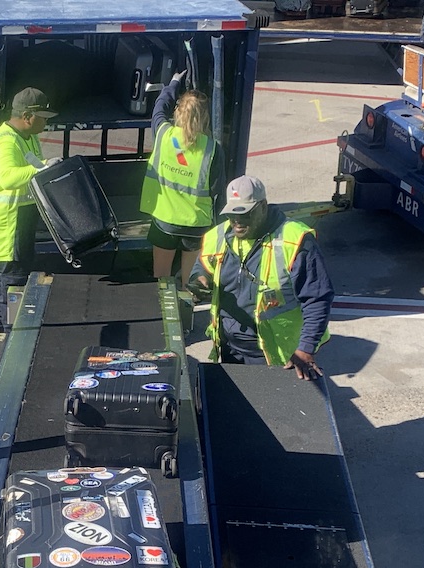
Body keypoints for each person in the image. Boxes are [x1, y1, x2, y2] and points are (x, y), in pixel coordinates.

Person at [188, 175, 334, 380]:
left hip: (278, 356)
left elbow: (317, 298)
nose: (237, 222)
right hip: (230, 348)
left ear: (263, 206)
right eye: (231, 214)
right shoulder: (218, 236)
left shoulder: (294, 241)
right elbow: (202, 268)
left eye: (245, 214)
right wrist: (200, 280)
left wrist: (306, 349)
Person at [0, 86, 59, 333]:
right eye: (43, 118)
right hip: (7, 231)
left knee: (5, 287)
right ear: (27, 117)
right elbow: (7, 178)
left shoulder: (26, 137)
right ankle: (12, 338)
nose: (45, 124)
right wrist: (43, 168)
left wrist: (46, 168)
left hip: (17, 227)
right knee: (12, 289)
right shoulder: (6, 141)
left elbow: (35, 166)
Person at [140, 72, 224, 283]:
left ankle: (164, 312)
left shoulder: (163, 134)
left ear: (178, 112)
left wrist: (173, 83)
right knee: (190, 280)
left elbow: (159, 107)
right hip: (196, 224)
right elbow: (217, 191)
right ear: (205, 117)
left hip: (165, 221)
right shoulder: (212, 149)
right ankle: (188, 309)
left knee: (162, 276)